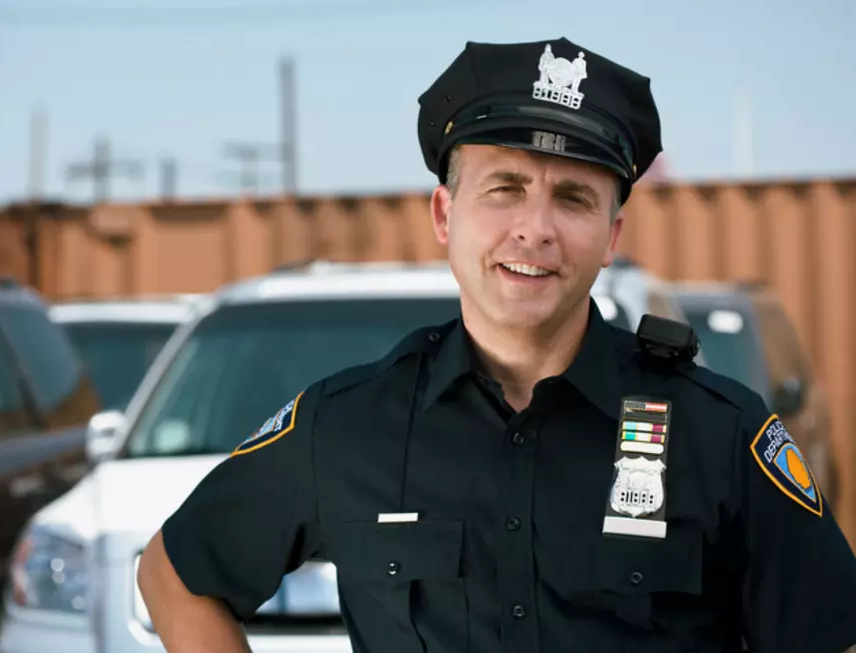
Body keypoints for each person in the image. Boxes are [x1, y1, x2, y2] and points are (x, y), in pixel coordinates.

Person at [137, 36, 856, 653]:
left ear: (611, 236)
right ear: (445, 214)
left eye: (572, 198)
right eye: (505, 188)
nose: (534, 228)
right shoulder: (347, 426)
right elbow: (173, 575)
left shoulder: (718, 432)